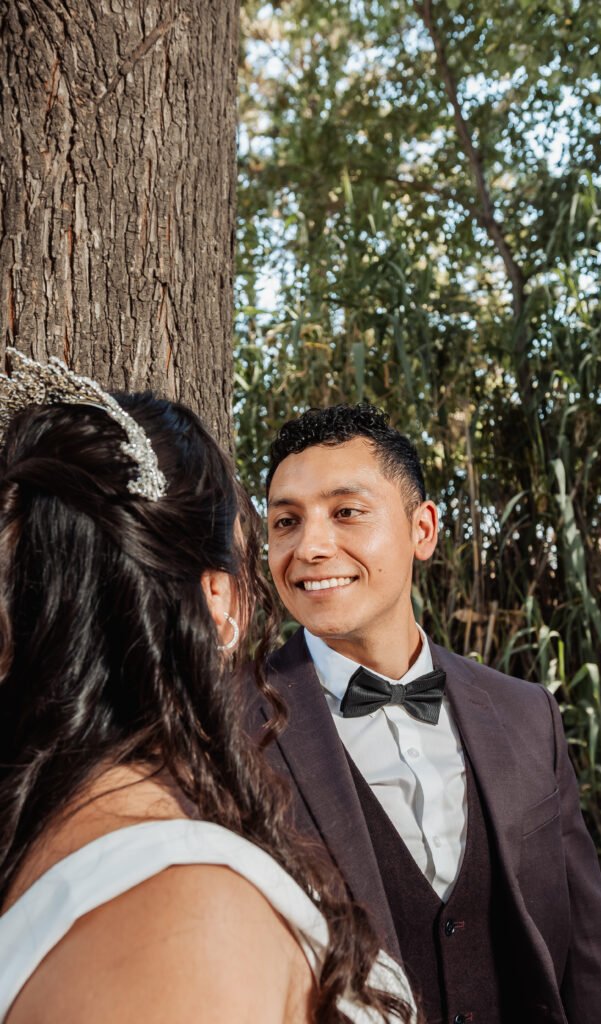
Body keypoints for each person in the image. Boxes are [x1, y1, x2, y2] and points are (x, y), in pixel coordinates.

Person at [0, 352, 415, 1024]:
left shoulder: (49, 824)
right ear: (218, 598)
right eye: (275, 528)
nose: (310, 549)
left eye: (347, 512)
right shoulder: (184, 917)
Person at [260, 403, 601, 1024]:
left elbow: (590, 958)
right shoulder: (230, 725)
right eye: (286, 522)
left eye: (346, 512)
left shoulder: (527, 714)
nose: (311, 547)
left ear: (423, 530)